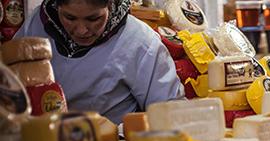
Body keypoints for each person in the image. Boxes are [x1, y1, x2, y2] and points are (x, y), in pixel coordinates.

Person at [15, 0, 184, 124]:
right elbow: (9, 83)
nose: (81, 30)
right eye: (70, 17)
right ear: (57, 6)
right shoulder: (35, 25)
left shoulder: (140, 42)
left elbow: (170, 112)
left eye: (93, 19)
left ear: (111, 4)